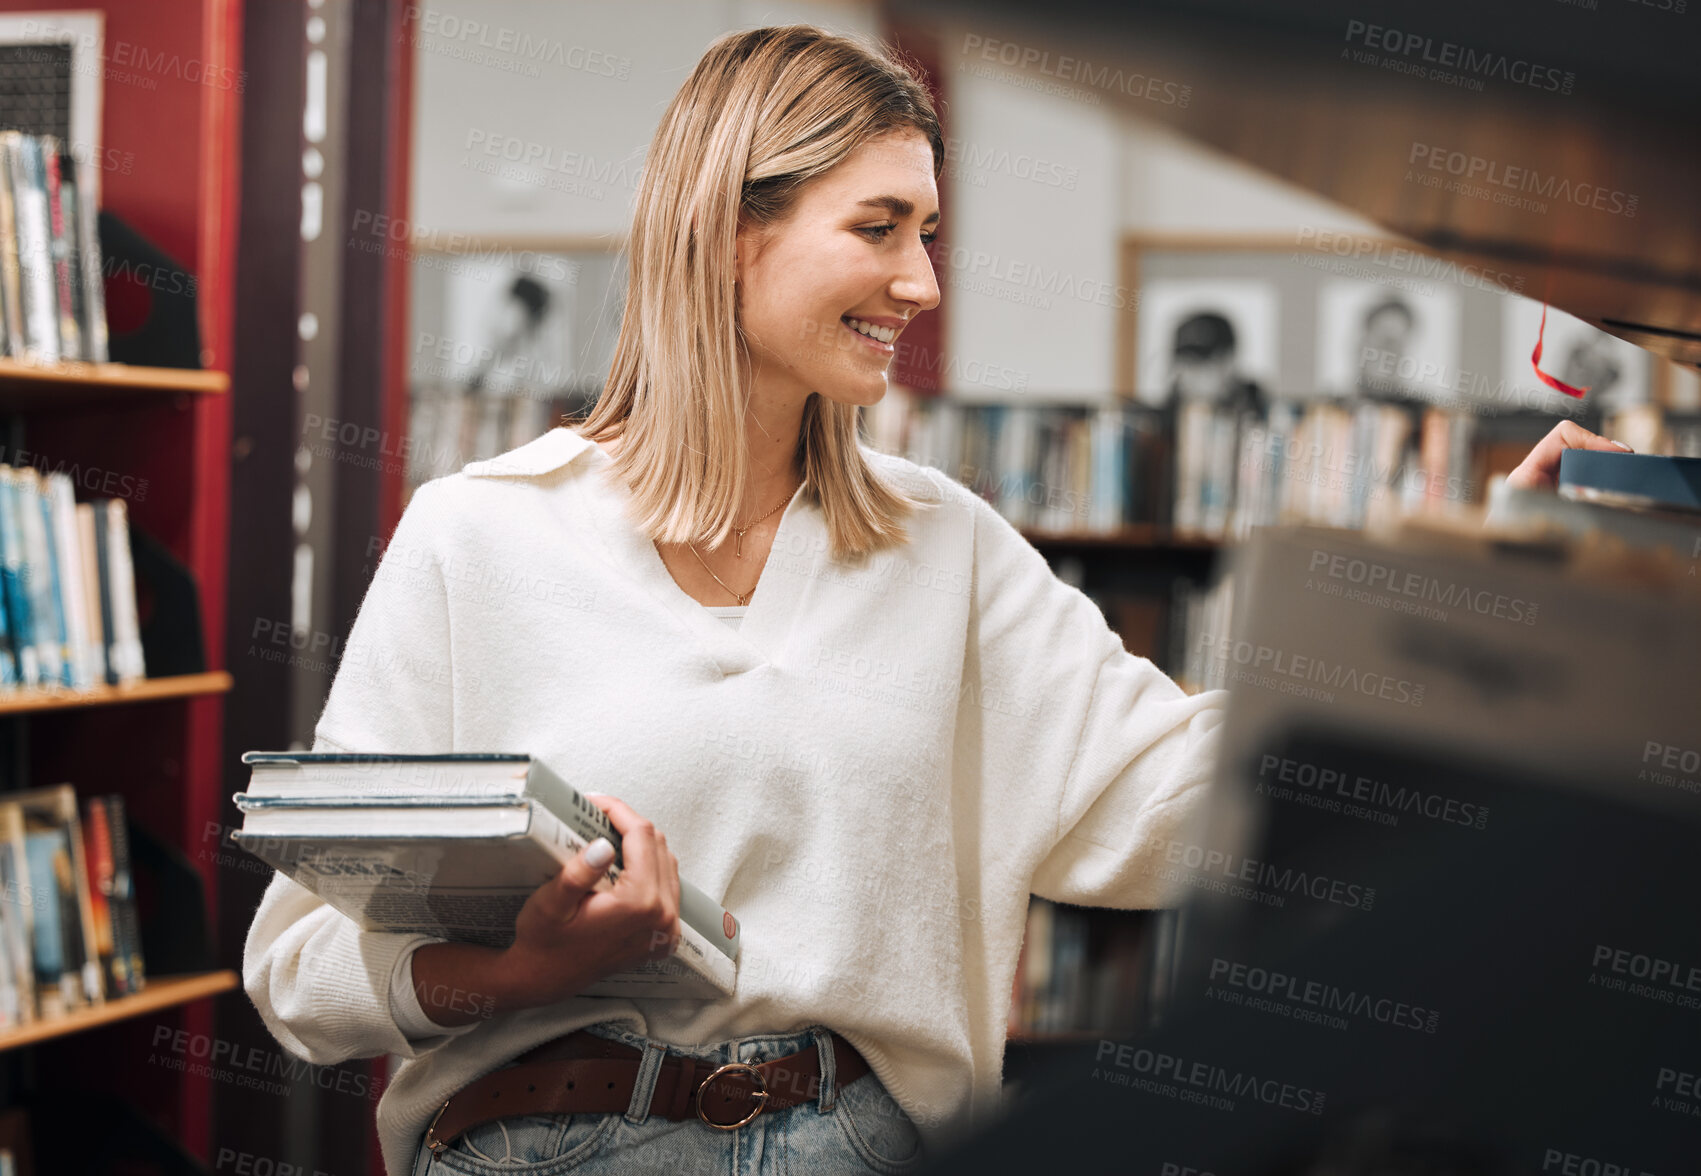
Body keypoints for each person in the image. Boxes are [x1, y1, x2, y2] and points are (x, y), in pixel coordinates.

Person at [242, 25, 1629, 1176]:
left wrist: (1477, 591)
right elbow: (300, 966)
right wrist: (515, 978)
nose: (917, 282)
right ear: (731, 233)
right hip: (545, 1145)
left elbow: (1175, 803)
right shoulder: (482, 537)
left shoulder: (943, 547)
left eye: (930, 234)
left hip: (860, 1141)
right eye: (879, 229)